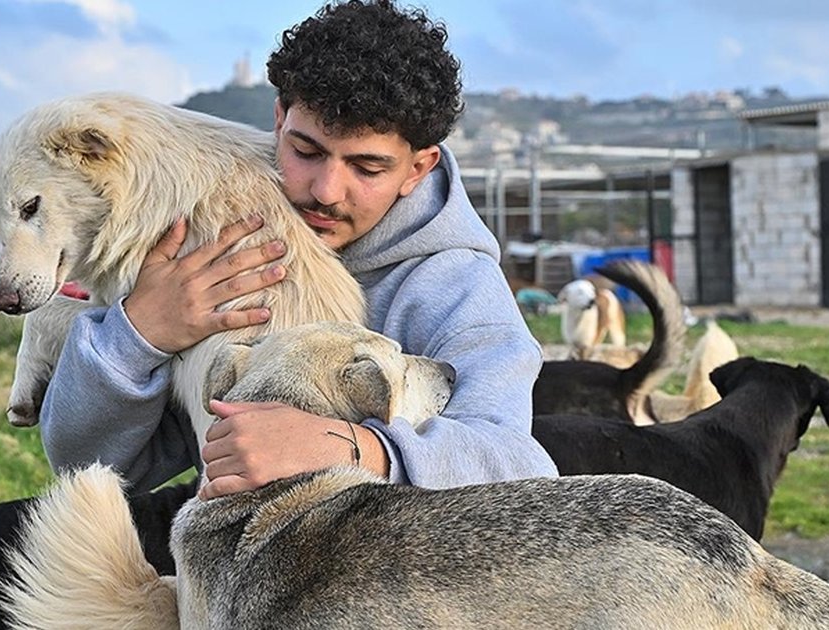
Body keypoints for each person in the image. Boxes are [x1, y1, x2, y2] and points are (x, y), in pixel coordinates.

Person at [39, 0, 558, 500]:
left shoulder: (457, 287)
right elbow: (90, 470)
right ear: (279, 118)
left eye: (367, 168)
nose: (326, 190)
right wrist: (140, 333)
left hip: (372, 562)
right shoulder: (221, 241)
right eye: (306, 151)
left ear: (418, 168)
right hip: (228, 535)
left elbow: (518, 467)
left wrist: (346, 449)